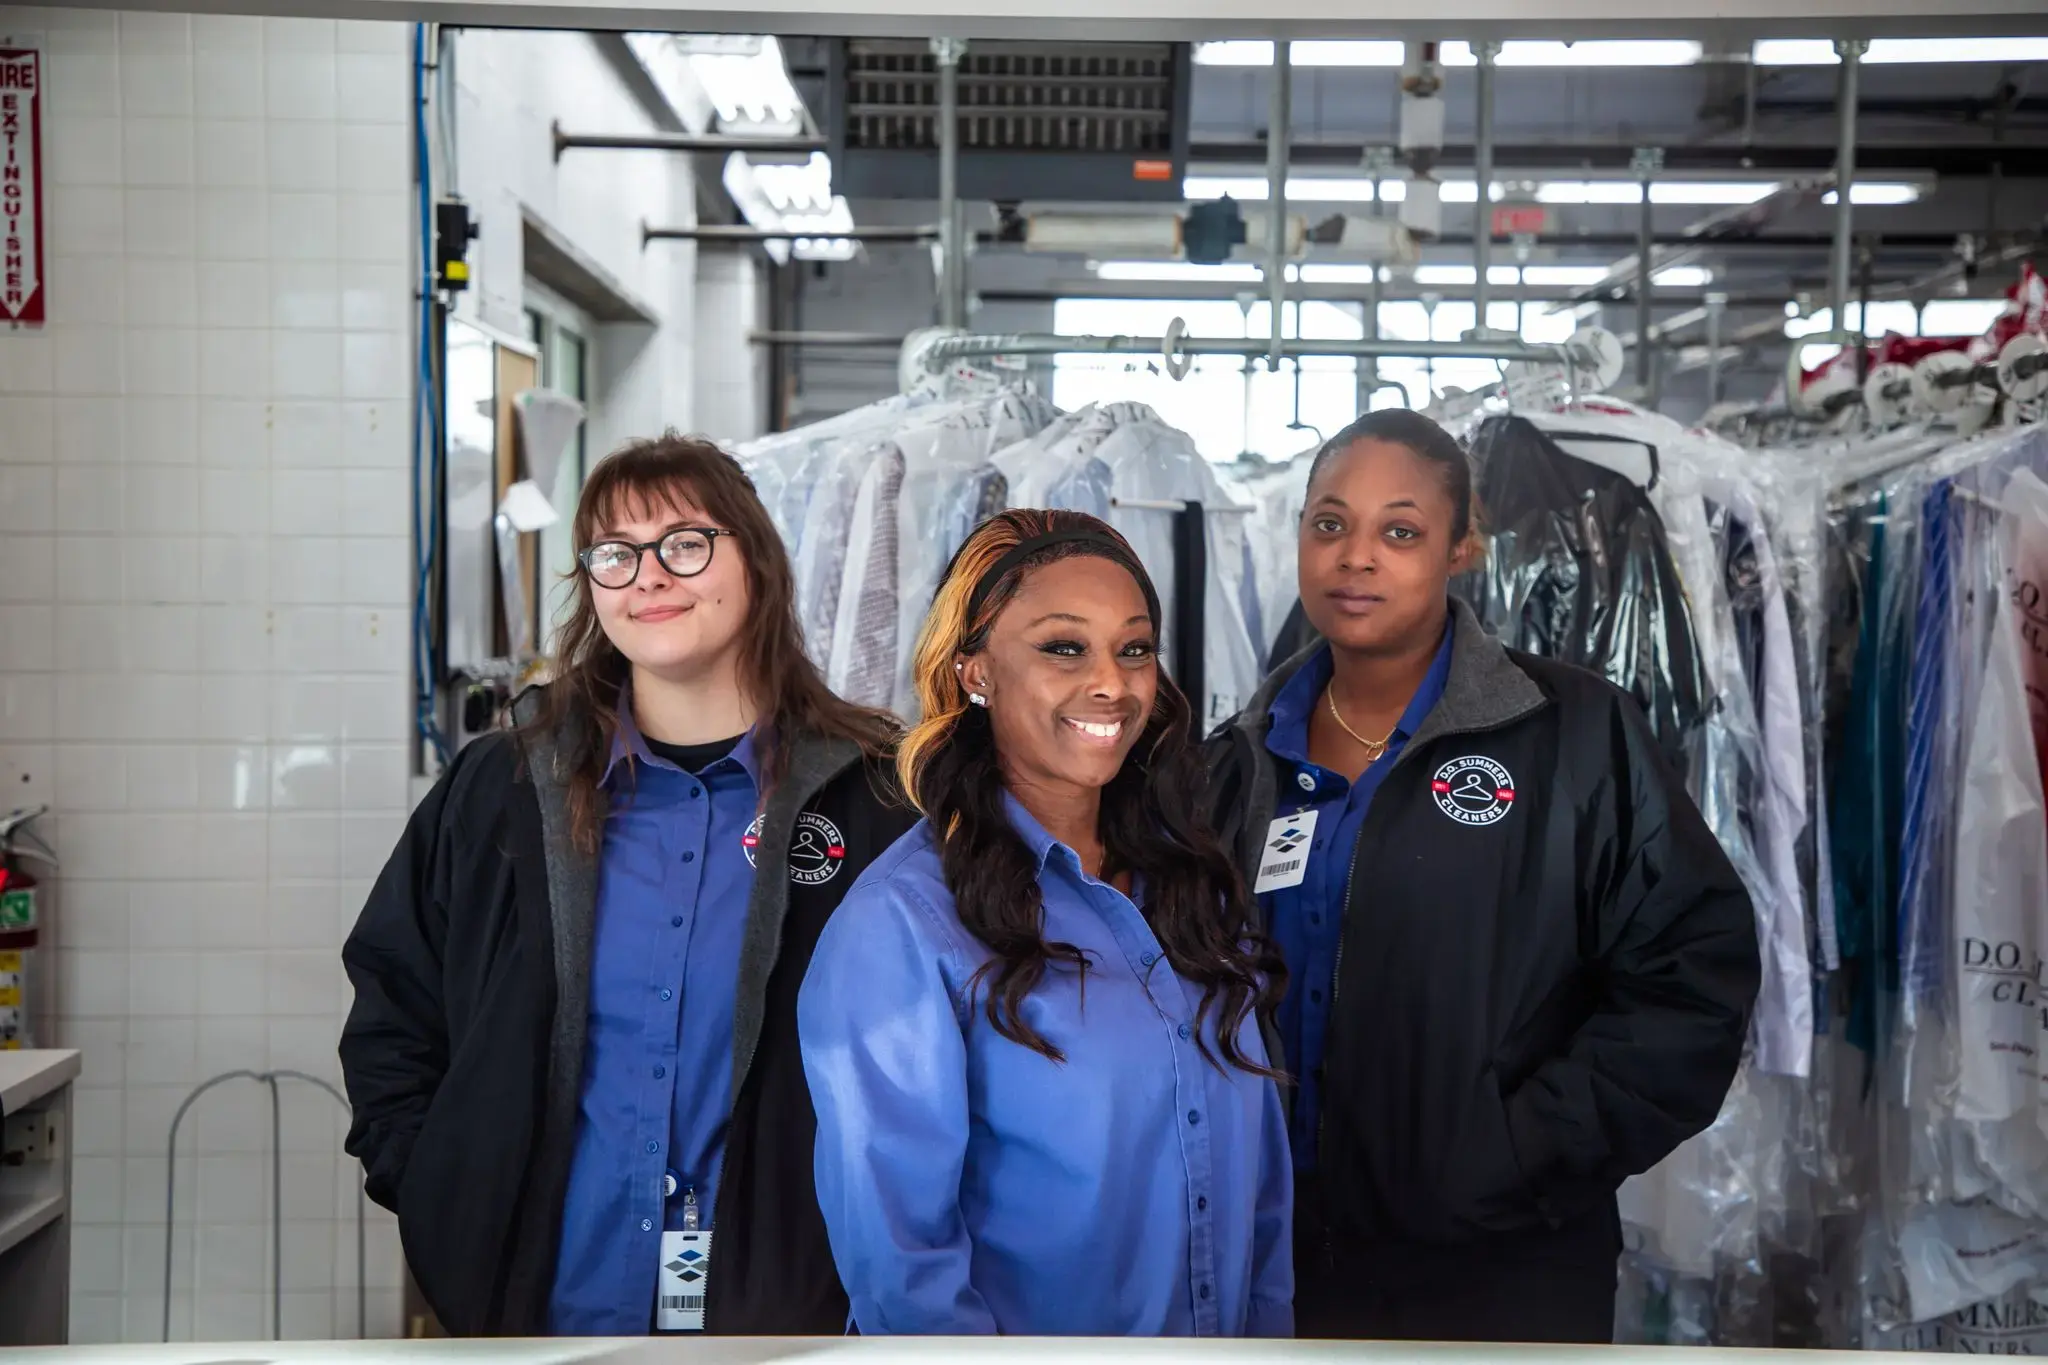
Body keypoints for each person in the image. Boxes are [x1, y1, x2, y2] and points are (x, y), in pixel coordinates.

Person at [338, 435, 918, 1336]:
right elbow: (394, 1007)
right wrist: (445, 1191)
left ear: (756, 559)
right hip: (538, 1314)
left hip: (781, 1319)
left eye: (685, 542)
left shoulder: (874, 796)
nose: (649, 574)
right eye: (616, 552)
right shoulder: (503, 788)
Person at [1203, 409, 1759, 1344]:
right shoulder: (1237, 760)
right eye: (1330, 524)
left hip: (1502, 1270)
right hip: (1276, 1268)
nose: (1357, 557)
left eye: (1401, 531)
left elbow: (1695, 977)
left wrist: (1520, 1152)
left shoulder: (1576, 733)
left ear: (1463, 549)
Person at [798, 509, 1294, 1337]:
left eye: (1133, 648)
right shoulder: (904, 926)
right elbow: (902, 1271)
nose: (1111, 681)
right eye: (1065, 647)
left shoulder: (1191, 889)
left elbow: (1261, 1189)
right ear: (974, 671)